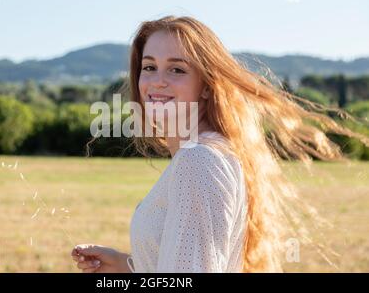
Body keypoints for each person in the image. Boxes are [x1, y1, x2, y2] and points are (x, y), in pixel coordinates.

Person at [71, 16, 368, 273]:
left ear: (206, 86)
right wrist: (129, 266)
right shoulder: (203, 153)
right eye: (149, 67)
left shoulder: (199, 159)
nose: (157, 81)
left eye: (177, 70)